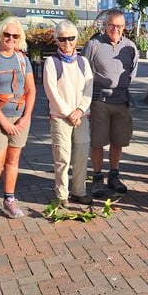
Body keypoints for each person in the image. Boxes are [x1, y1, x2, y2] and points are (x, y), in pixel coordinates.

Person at [0, 17, 36, 223]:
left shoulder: (22, 59)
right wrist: (4, 122)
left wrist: (25, 118)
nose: (10, 39)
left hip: (19, 118)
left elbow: (31, 90)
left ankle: (9, 200)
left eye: (15, 35)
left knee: (13, 160)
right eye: (7, 34)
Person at [82, 8, 139, 198]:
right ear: (105, 25)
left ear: (125, 27)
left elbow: (131, 73)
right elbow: (84, 73)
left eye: (119, 26)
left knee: (118, 140)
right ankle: (97, 177)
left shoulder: (130, 47)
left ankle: (113, 176)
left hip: (122, 101)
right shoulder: (94, 45)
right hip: (99, 101)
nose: (115, 29)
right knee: (98, 142)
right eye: (112, 25)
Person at [43, 20, 94, 205]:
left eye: (71, 38)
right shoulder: (51, 62)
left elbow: (89, 88)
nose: (67, 43)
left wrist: (80, 110)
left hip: (81, 117)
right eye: (62, 39)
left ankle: (79, 191)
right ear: (56, 40)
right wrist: (68, 113)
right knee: (62, 158)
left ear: (76, 38)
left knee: (81, 156)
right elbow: (51, 91)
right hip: (60, 118)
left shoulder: (83, 62)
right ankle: (62, 195)